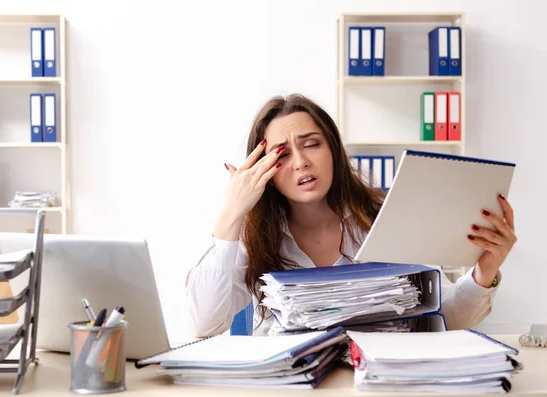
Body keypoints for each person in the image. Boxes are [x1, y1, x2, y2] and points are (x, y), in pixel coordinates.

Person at [185, 93, 517, 337]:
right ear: (264, 168)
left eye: (312, 144)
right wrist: (230, 215)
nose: (300, 161)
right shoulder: (254, 234)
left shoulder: (381, 217)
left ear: (333, 150)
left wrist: (486, 269)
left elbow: (451, 316)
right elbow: (204, 325)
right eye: (282, 154)